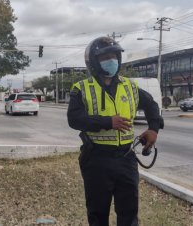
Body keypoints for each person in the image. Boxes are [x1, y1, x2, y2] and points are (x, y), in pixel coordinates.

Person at [67, 37, 163, 226]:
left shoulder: (130, 87)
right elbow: (74, 119)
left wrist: (153, 129)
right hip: (96, 158)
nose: (112, 61)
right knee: (97, 213)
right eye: (105, 57)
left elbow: (152, 105)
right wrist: (108, 122)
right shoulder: (81, 88)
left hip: (126, 158)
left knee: (129, 213)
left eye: (115, 56)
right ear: (94, 61)